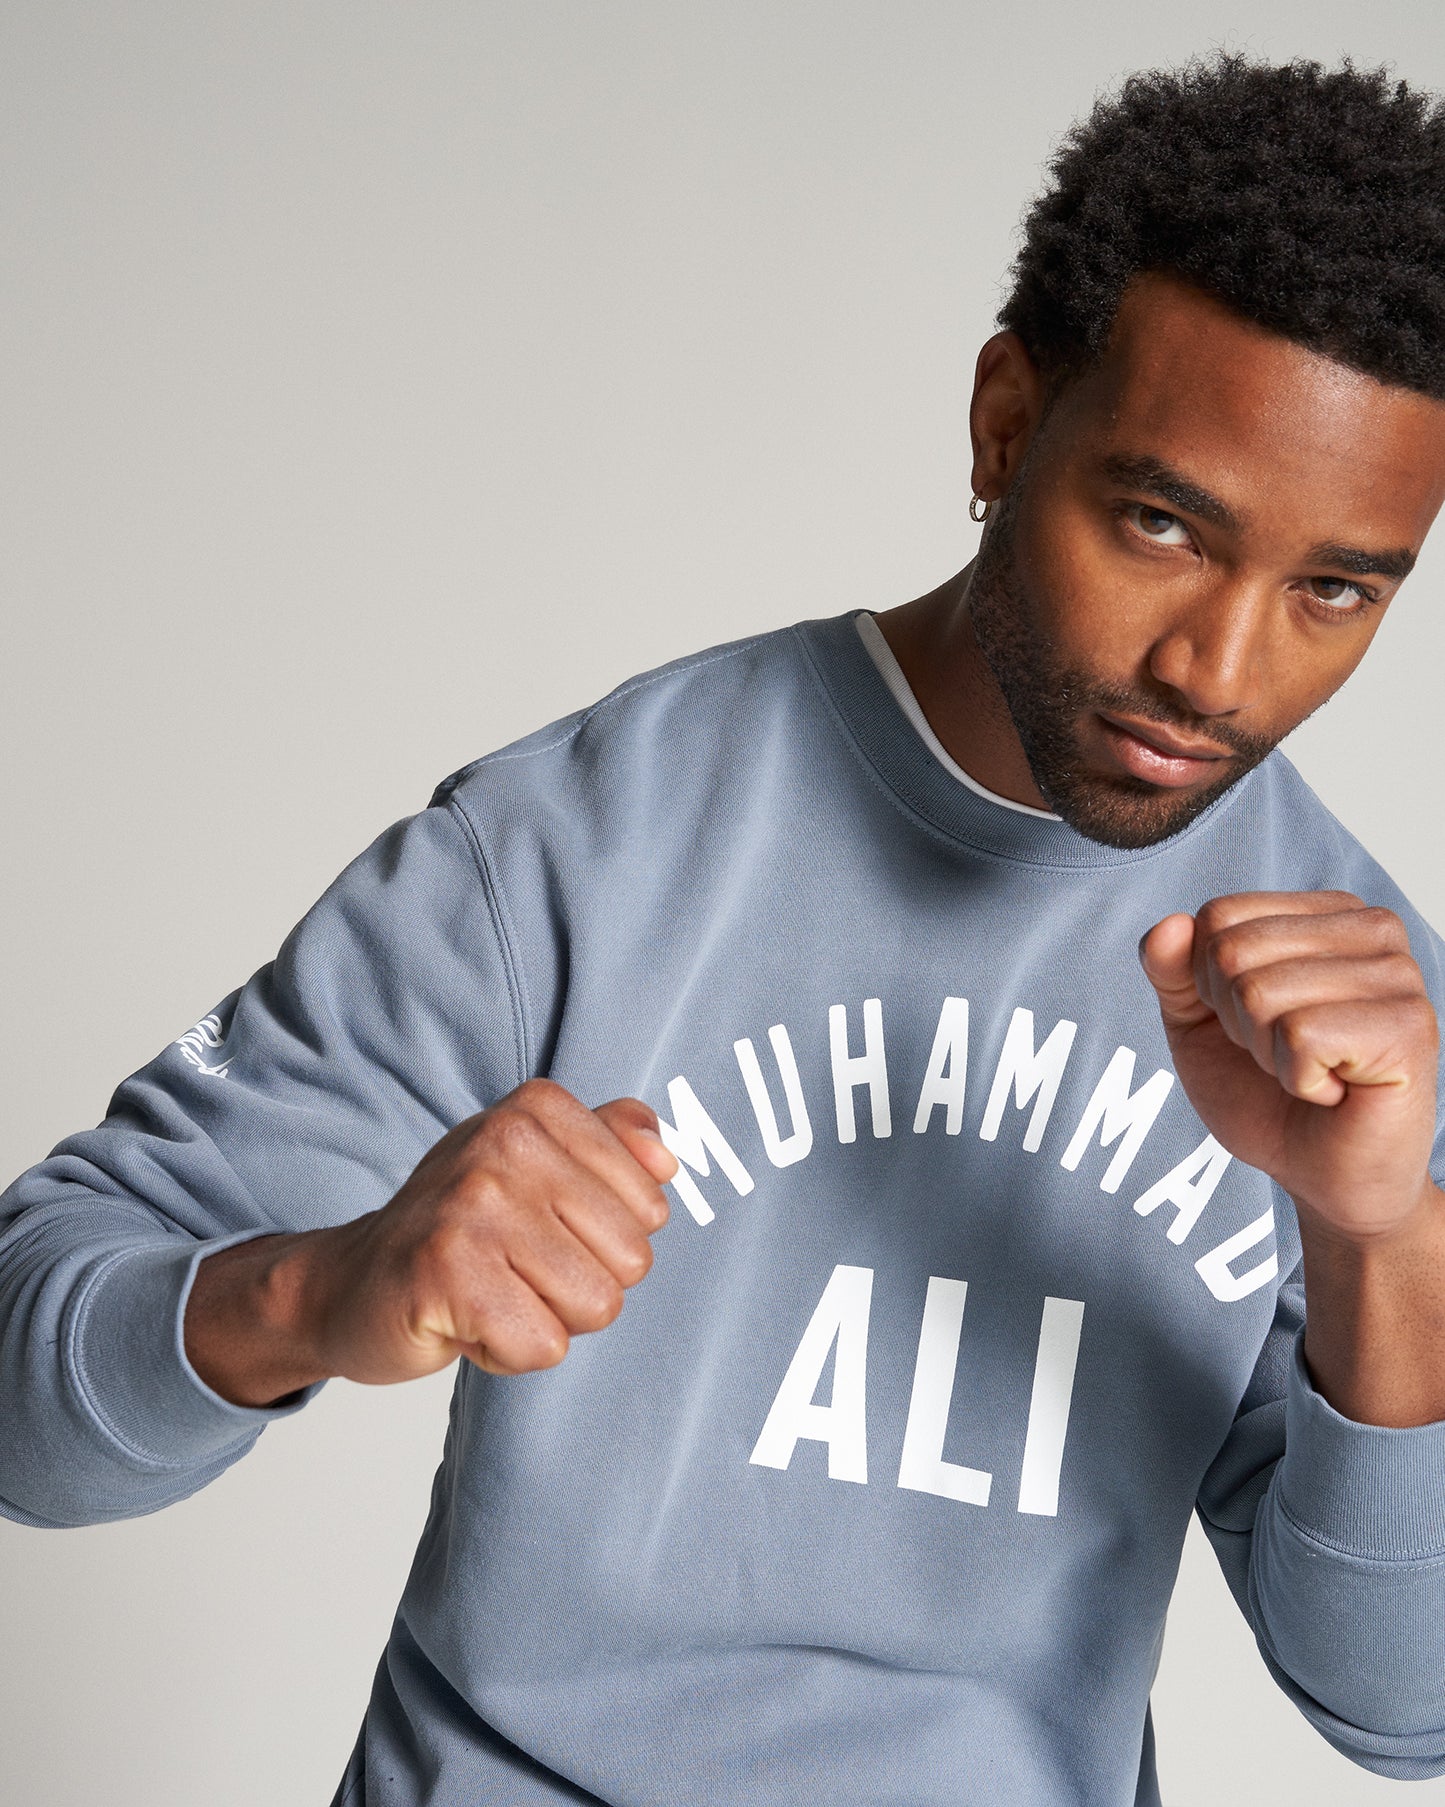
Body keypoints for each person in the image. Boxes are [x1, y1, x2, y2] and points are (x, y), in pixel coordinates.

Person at [5, 50, 1445, 1806]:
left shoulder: (1359, 1001)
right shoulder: (575, 845)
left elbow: (1405, 1709)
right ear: (1005, 422)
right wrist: (322, 1287)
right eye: (1158, 524)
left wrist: (1380, 1241)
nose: (1214, 671)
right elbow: (29, 1408)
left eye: (1332, 590)